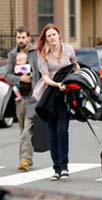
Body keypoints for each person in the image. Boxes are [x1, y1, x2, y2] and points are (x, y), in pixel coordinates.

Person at [33, 23, 78, 181]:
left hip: (65, 95)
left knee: (62, 131)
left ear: (59, 35)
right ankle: (56, 168)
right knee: (52, 134)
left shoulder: (68, 49)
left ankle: (64, 167)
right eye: (48, 36)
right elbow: (45, 77)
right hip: (49, 94)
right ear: (46, 39)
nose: (52, 38)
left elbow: (75, 66)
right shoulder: (42, 54)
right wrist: (57, 84)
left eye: (54, 34)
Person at [5, 26, 40, 171]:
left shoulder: (35, 52)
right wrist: (21, 79)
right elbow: (7, 75)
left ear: (28, 37)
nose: (20, 40)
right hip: (19, 98)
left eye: (23, 37)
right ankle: (26, 159)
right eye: (18, 37)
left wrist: (32, 80)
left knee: (27, 130)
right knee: (23, 130)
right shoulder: (12, 54)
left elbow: (40, 71)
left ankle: (24, 160)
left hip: (33, 97)